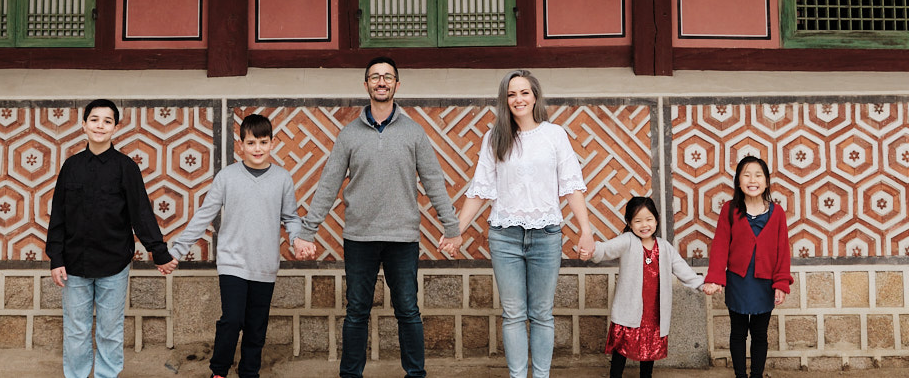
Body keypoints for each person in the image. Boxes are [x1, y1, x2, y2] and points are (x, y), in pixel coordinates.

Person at [292, 56, 461, 378]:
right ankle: (350, 374)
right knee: (356, 312)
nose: (381, 82)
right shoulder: (349, 134)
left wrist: (452, 227)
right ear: (366, 84)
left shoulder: (414, 133)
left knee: (408, 311)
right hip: (359, 236)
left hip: (402, 237)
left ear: (397, 84)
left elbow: (434, 181)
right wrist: (308, 230)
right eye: (375, 77)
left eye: (387, 77)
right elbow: (328, 184)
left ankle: (415, 374)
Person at [456, 69, 592, 378]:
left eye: (524, 92)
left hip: (546, 235)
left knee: (542, 313)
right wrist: (456, 231)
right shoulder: (494, 137)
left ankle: (541, 375)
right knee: (514, 314)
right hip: (505, 237)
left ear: (535, 97)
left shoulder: (554, 134)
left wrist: (586, 231)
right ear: (505, 100)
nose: (518, 99)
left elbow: (572, 186)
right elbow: (480, 190)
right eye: (511, 94)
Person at [46, 98, 176, 378]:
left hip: (114, 265)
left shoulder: (125, 167)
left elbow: (140, 212)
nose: (100, 126)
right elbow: (58, 215)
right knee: (76, 330)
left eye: (107, 121)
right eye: (94, 119)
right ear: (83, 125)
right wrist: (56, 258)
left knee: (109, 329)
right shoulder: (71, 166)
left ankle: (107, 375)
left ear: (116, 127)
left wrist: (159, 252)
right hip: (74, 265)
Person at [166, 113, 300, 378]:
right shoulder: (227, 177)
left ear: (272, 143)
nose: (257, 148)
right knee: (232, 320)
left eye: (263, 142)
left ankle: (250, 372)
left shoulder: (283, 178)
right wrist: (177, 250)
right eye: (251, 143)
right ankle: (219, 370)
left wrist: (297, 241)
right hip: (232, 262)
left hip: (265, 264)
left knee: (256, 324)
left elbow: (291, 217)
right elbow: (204, 214)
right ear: (241, 146)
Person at [582, 196, 703, 378]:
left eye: (649, 219)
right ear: (629, 223)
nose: (644, 225)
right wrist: (591, 250)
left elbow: (683, 270)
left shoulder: (664, 247)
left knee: (649, 353)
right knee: (621, 351)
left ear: (656, 220)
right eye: (638, 221)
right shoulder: (628, 241)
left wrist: (702, 284)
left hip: (654, 312)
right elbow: (606, 249)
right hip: (630, 310)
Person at [701, 156, 793, 378]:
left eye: (758, 175)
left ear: (767, 182)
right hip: (738, 281)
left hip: (765, 282)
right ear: (739, 182)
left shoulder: (777, 212)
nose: (753, 180)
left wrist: (781, 283)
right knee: (738, 332)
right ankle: (740, 375)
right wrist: (715, 278)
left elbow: (782, 250)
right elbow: (721, 245)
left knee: (760, 333)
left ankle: (756, 375)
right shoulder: (729, 210)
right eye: (747, 175)